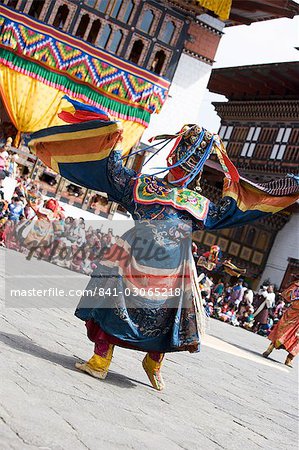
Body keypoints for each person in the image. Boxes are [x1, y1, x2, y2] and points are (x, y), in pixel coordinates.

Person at [28, 98, 299, 390]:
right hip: (146, 260)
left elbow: (114, 173)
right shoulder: (161, 191)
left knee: (159, 315)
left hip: (161, 265)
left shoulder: (176, 196)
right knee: (127, 308)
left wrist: (280, 188)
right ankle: (106, 361)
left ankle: (144, 362)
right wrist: (114, 142)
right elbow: (113, 174)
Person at [263, 282, 299, 367]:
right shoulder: (297, 285)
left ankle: (289, 358)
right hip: (292, 314)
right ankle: (269, 349)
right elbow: (289, 296)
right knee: (281, 332)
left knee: (297, 338)